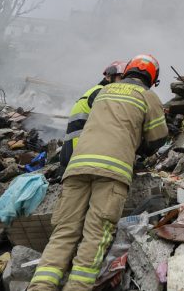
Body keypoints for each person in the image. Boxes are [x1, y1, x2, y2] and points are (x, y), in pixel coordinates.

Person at [30, 55, 169, 291]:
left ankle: (40, 285)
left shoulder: (103, 91)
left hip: (77, 167)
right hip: (113, 170)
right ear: (152, 78)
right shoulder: (147, 96)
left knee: (64, 231)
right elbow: (158, 138)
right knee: (96, 234)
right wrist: (138, 147)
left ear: (128, 71)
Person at [59, 61, 124, 171]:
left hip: (73, 152)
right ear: (109, 77)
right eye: (121, 78)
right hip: (81, 153)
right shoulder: (101, 93)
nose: (124, 83)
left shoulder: (94, 91)